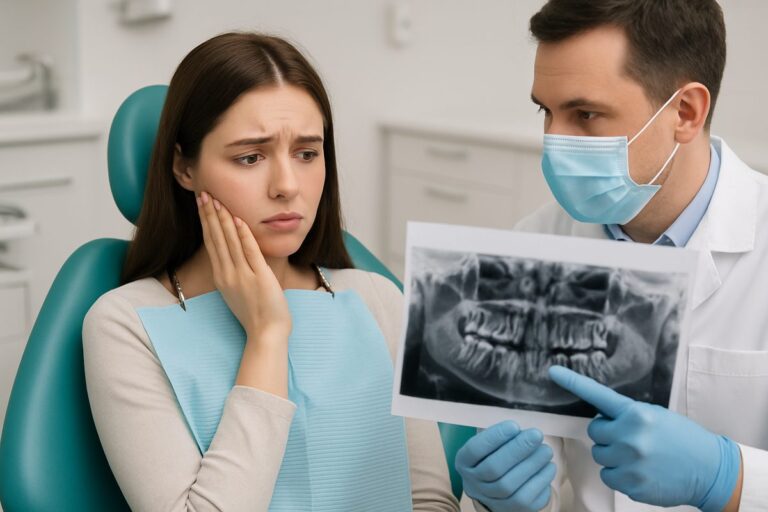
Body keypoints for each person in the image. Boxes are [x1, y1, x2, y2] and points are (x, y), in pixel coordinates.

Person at [82, 32, 459, 512]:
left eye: (307, 153)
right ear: (184, 168)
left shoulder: (379, 299)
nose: (286, 185)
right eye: (250, 157)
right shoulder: (125, 324)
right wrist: (266, 336)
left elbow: (430, 501)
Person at [456, 1, 768, 511]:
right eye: (546, 111)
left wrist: (728, 479)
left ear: (686, 113)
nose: (554, 142)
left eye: (585, 115)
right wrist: (496, 501)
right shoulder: (538, 243)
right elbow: (527, 470)